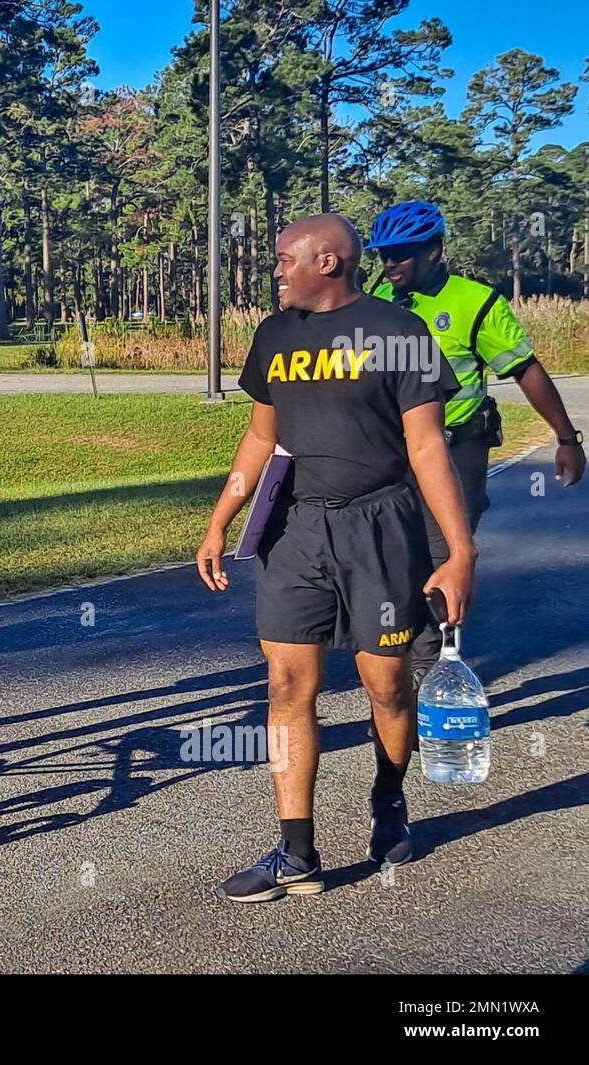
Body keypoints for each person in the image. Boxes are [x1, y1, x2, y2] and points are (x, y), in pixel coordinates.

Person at [196, 214, 477, 903]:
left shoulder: (398, 333)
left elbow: (427, 448)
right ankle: (297, 852)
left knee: (386, 685)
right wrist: (218, 521)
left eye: (284, 258)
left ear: (328, 260)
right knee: (288, 687)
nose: (275, 269)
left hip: (380, 529)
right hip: (295, 531)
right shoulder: (274, 335)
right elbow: (260, 438)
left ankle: (388, 795)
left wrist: (461, 550)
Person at [367, 200, 586, 679]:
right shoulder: (376, 297)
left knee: (442, 556)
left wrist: (566, 438)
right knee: (388, 558)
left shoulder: (477, 301)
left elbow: (525, 369)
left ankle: (435, 672)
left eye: (401, 254)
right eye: (383, 254)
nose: (389, 264)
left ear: (434, 250)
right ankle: (398, 657)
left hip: (455, 447)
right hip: (390, 450)